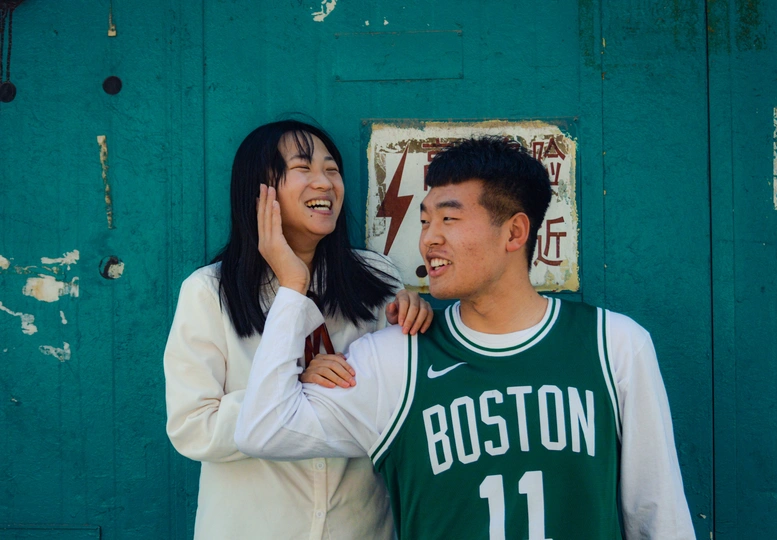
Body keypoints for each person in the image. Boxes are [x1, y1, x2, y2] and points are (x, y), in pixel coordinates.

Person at [235, 136, 696, 539]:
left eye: (449, 220)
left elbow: (658, 515)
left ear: (514, 232)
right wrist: (292, 287)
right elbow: (263, 430)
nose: (429, 239)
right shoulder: (397, 358)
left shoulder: (614, 344)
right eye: (425, 221)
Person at [164, 119, 432, 540]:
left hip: (359, 528)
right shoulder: (209, 292)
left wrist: (416, 328)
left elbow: (401, 409)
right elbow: (193, 428)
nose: (324, 182)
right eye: (303, 168)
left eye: (331, 169)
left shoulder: (375, 279)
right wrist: (291, 387)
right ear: (259, 189)